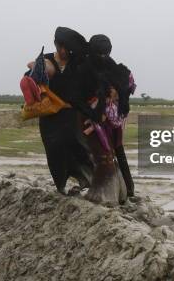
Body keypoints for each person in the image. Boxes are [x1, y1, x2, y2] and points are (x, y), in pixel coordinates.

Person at [28, 27, 94, 195]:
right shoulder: (46, 60)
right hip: (50, 117)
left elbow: (88, 85)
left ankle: (86, 180)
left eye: (67, 48)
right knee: (54, 149)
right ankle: (61, 186)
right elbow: (31, 77)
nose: (64, 51)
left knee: (77, 146)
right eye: (60, 47)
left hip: (72, 115)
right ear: (56, 44)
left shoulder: (77, 62)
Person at [78, 34, 136, 202]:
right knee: (105, 154)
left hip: (112, 118)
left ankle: (127, 190)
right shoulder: (85, 69)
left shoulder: (111, 66)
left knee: (117, 150)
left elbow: (123, 88)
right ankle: (118, 190)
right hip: (96, 118)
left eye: (106, 54)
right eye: (100, 54)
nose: (103, 57)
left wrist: (113, 99)